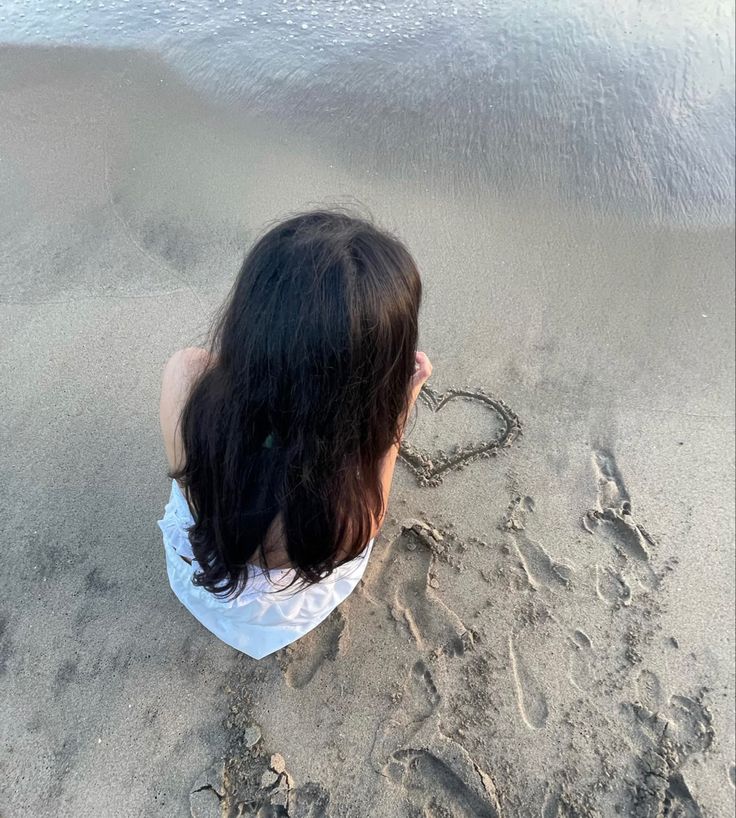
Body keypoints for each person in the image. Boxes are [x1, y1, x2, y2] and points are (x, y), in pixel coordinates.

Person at [157, 208, 432, 659]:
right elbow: (374, 508)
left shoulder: (184, 381)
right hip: (283, 610)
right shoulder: (346, 508)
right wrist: (397, 410)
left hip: (201, 578)